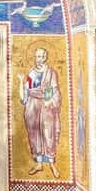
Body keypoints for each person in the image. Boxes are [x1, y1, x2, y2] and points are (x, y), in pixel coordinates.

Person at [20, 46, 61, 178]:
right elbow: (26, 91)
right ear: (34, 57)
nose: (40, 59)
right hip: (32, 106)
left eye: (43, 56)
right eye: (38, 56)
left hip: (46, 105)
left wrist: (49, 101)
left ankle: (52, 164)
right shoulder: (31, 73)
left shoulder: (51, 72)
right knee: (34, 134)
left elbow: (54, 88)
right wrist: (22, 82)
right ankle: (38, 163)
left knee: (48, 134)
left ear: (46, 57)